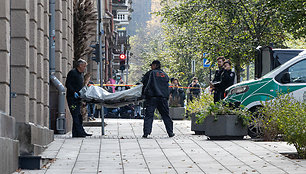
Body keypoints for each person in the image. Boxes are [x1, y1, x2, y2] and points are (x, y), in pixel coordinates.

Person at [141, 60, 175, 138]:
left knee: (149, 115)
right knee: (166, 115)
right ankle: (170, 132)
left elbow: (147, 84)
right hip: (163, 98)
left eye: (152, 65)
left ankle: (146, 132)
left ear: (155, 65)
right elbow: (167, 87)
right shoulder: (165, 75)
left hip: (152, 97)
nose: (151, 67)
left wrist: (144, 94)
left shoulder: (151, 73)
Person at [65, 59, 92, 137]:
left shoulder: (81, 74)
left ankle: (76, 133)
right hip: (72, 99)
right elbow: (67, 84)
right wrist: (74, 92)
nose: (85, 68)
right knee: (76, 115)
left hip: (78, 98)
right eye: (84, 66)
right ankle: (80, 132)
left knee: (78, 115)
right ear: (80, 65)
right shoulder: (72, 73)